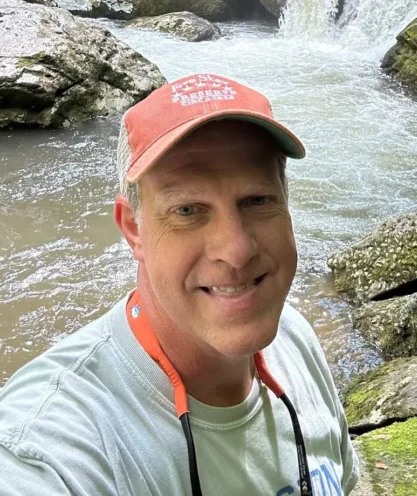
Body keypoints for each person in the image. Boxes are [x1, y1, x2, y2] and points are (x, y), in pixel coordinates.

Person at [0, 73, 359, 496]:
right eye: (188, 210)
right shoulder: (52, 444)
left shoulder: (295, 340)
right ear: (134, 230)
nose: (236, 250)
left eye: (257, 200)